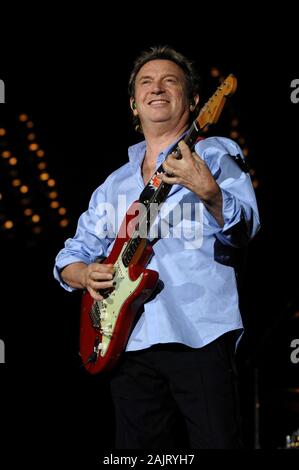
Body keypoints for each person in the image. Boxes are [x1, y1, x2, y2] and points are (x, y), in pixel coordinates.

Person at [54, 45, 260, 449]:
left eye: (171, 81)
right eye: (146, 82)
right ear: (133, 104)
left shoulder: (215, 153)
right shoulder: (114, 185)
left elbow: (246, 229)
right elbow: (71, 254)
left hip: (199, 332)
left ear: (197, 101)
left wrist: (210, 192)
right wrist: (81, 274)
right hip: (127, 340)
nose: (157, 88)